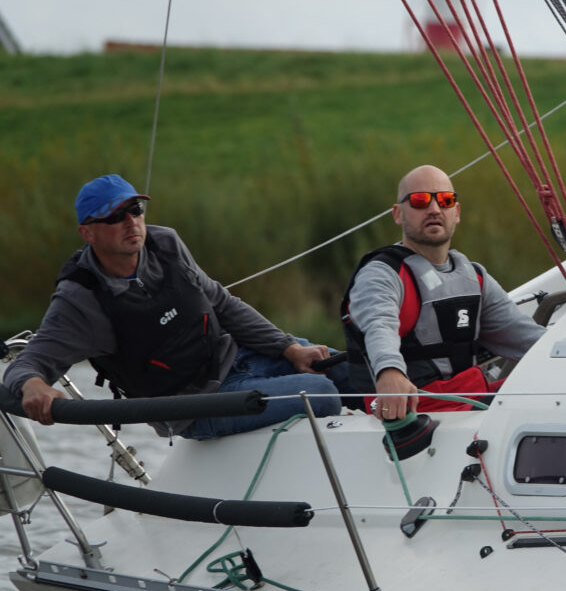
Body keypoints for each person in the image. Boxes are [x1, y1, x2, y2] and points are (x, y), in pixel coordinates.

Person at [3, 174, 352, 440]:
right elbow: (28, 363)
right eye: (115, 217)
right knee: (320, 393)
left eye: (135, 210)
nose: (131, 222)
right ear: (87, 233)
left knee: (354, 370)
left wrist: (289, 348)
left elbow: (222, 303)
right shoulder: (80, 299)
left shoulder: (165, 243)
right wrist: (32, 386)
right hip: (195, 407)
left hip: (239, 359)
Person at [342, 164, 546, 422]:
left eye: (445, 200)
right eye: (420, 201)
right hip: (418, 408)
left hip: (470, 397)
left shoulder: (473, 276)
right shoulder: (381, 274)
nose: (434, 209)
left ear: (456, 212)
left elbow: (527, 337)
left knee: (554, 391)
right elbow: (378, 326)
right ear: (398, 214)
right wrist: (389, 371)